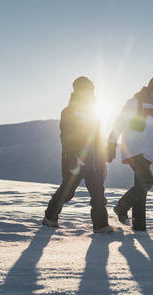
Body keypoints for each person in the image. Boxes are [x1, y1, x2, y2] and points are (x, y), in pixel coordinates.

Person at [107, 75, 153, 231]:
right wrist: (112, 142)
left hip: (147, 151)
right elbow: (120, 122)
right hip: (132, 148)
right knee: (147, 180)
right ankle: (121, 208)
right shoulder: (135, 102)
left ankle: (139, 226)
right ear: (151, 89)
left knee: (141, 186)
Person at [43, 76, 113, 233]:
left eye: (91, 90)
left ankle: (101, 226)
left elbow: (98, 138)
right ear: (77, 91)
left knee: (98, 193)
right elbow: (67, 137)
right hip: (75, 160)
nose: (89, 94)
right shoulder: (69, 112)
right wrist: (74, 155)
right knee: (67, 193)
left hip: (94, 161)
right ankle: (50, 217)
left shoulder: (95, 112)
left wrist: (103, 158)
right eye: (86, 90)